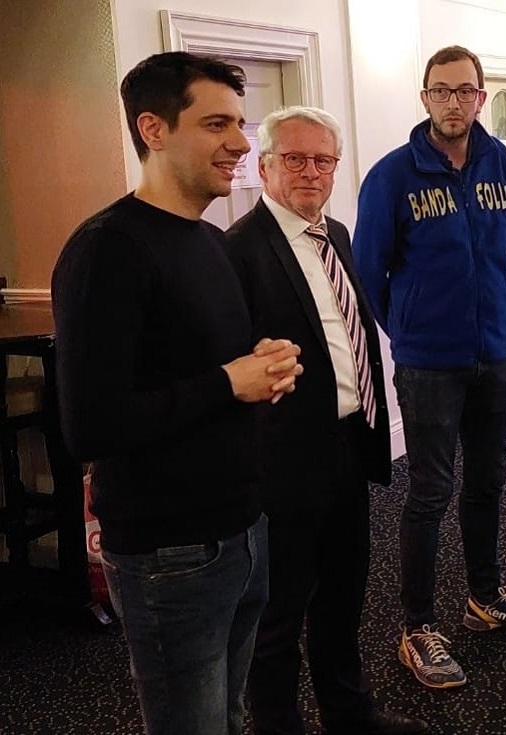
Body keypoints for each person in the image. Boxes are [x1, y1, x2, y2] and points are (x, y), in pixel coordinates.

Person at [51, 52, 304, 735]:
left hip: (243, 527)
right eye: (217, 124)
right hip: (170, 552)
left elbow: (202, 369)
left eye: (240, 123)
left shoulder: (210, 241)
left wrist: (262, 367)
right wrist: (229, 380)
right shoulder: (108, 250)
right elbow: (91, 425)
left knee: (229, 715)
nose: (241, 143)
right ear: (153, 129)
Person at [353, 45, 506, 690]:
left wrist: (489, 326)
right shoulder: (392, 175)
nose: (453, 102)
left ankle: (485, 596)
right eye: (441, 91)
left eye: (465, 91)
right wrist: (413, 330)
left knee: (488, 483)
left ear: (480, 98)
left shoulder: (500, 161)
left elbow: (503, 240)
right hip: (429, 366)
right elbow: (369, 273)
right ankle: (417, 626)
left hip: (493, 354)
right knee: (429, 493)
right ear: (425, 99)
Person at [224, 107, 428, 735]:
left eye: (323, 160)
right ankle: (277, 724)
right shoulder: (239, 250)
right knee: (279, 612)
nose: (310, 171)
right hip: (283, 459)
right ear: (265, 167)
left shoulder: (335, 233)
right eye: (294, 159)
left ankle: (349, 712)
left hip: (348, 443)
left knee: (343, 594)